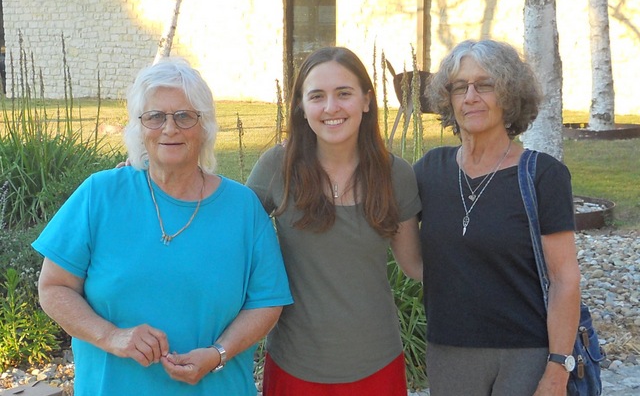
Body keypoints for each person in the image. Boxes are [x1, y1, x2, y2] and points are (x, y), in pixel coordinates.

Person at [33, 57, 293, 396]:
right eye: (155, 116)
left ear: (205, 126)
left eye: (184, 116)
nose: (169, 128)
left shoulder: (242, 208)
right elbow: (53, 288)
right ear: (140, 128)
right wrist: (112, 336)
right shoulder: (101, 195)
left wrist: (218, 354)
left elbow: (267, 301)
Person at [246, 46, 422, 396]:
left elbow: (416, 265)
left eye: (344, 93)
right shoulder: (276, 169)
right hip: (295, 365)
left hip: (378, 364)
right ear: (300, 105)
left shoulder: (396, 175)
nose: (331, 108)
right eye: (317, 96)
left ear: (367, 101)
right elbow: (225, 229)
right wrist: (155, 183)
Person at [413, 39, 582, 395]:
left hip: (526, 353)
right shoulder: (430, 171)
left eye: (484, 85)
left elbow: (564, 277)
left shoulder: (542, 175)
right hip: (449, 350)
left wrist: (557, 370)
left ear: (509, 94)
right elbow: (389, 223)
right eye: (460, 87)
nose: (470, 96)